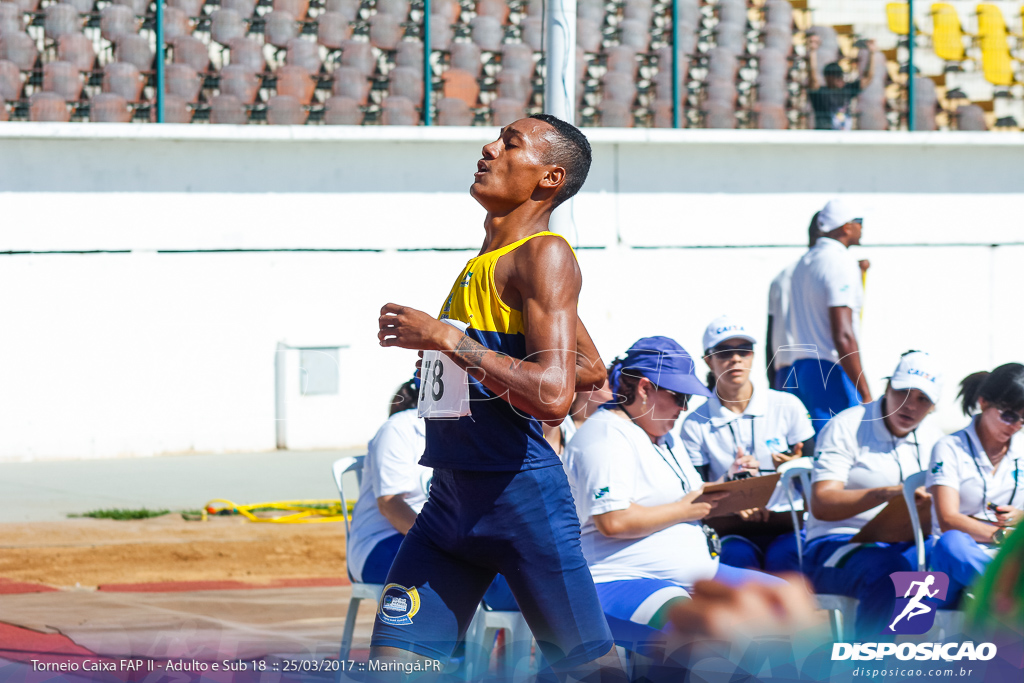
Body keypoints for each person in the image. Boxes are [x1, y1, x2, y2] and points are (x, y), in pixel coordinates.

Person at [373, 115, 624, 680]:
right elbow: (591, 368)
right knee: (392, 665)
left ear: (549, 178)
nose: (489, 148)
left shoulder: (546, 254)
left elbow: (556, 395)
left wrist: (449, 341)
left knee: (593, 672)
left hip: (521, 503)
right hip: (449, 501)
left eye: (510, 144)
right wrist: (460, 360)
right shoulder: (483, 263)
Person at [565, 337, 785, 633]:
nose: (684, 409)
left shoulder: (665, 435)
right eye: (681, 397)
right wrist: (686, 509)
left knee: (789, 600)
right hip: (617, 579)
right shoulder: (605, 436)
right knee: (702, 627)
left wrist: (727, 487)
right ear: (644, 389)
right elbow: (613, 521)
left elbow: (686, 498)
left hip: (692, 576)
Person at [802, 351, 944, 638]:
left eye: (922, 399)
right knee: (891, 571)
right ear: (887, 387)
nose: (910, 406)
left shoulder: (935, 436)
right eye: (903, 392)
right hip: (834, 544)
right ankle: (870, 666)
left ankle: (912, 653)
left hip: (905, 542)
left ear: (932, 407)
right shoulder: (847, 424)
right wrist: (891, 493)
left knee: (946, 559)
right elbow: (822, 504)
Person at [681, 316, 815, 572]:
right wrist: (732, 493)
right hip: (730, 527)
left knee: (786, 561)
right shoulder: (694, 423)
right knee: (737, 563)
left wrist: (794, 466)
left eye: (744, 350)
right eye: (724, 352)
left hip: (787, 522)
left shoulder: (787, 405)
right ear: (708, 360)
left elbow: (816, 469)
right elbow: (693, 489)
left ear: (753, 356)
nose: (736, 359)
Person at [928, 364, 1023, 606]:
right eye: (1009, 415)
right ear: (983, 402)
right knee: (953, 542)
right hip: (950, 566)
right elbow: (948, 519)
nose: (1016, 426)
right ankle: (1009, 596)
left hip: (1006, 558)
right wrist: (1003, 536)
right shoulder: (948, 447)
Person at [784, 198, 871, 434]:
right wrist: (865, 392)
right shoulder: (839, 261)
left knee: (819, 448)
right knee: (842, 449)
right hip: (831, 370)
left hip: (802, 368)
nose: (863, 227)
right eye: (859, 222)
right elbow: (842, 334)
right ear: (846, 226)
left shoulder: (804, 262)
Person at [347, 380, 430, 586]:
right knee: (457, 571)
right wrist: (439, 541)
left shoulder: (465, 429)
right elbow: (390, 505)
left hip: (430, 539)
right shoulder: (399, 428)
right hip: (381, 542)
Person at [767, 211, 820, 390]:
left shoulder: (781, 277)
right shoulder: (824, 275)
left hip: (784, 370)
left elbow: (770, 333)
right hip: (818, 369)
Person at [806, 35, 878, 130]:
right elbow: (812, 77)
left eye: (841, 75)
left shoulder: (846, 91)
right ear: (828, 78)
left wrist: (872, 53)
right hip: (825, 137)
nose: (840, 78)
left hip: (843, 138)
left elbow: (867, 78)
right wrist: (812, 52)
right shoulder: (820, 93)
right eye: (836, 76)